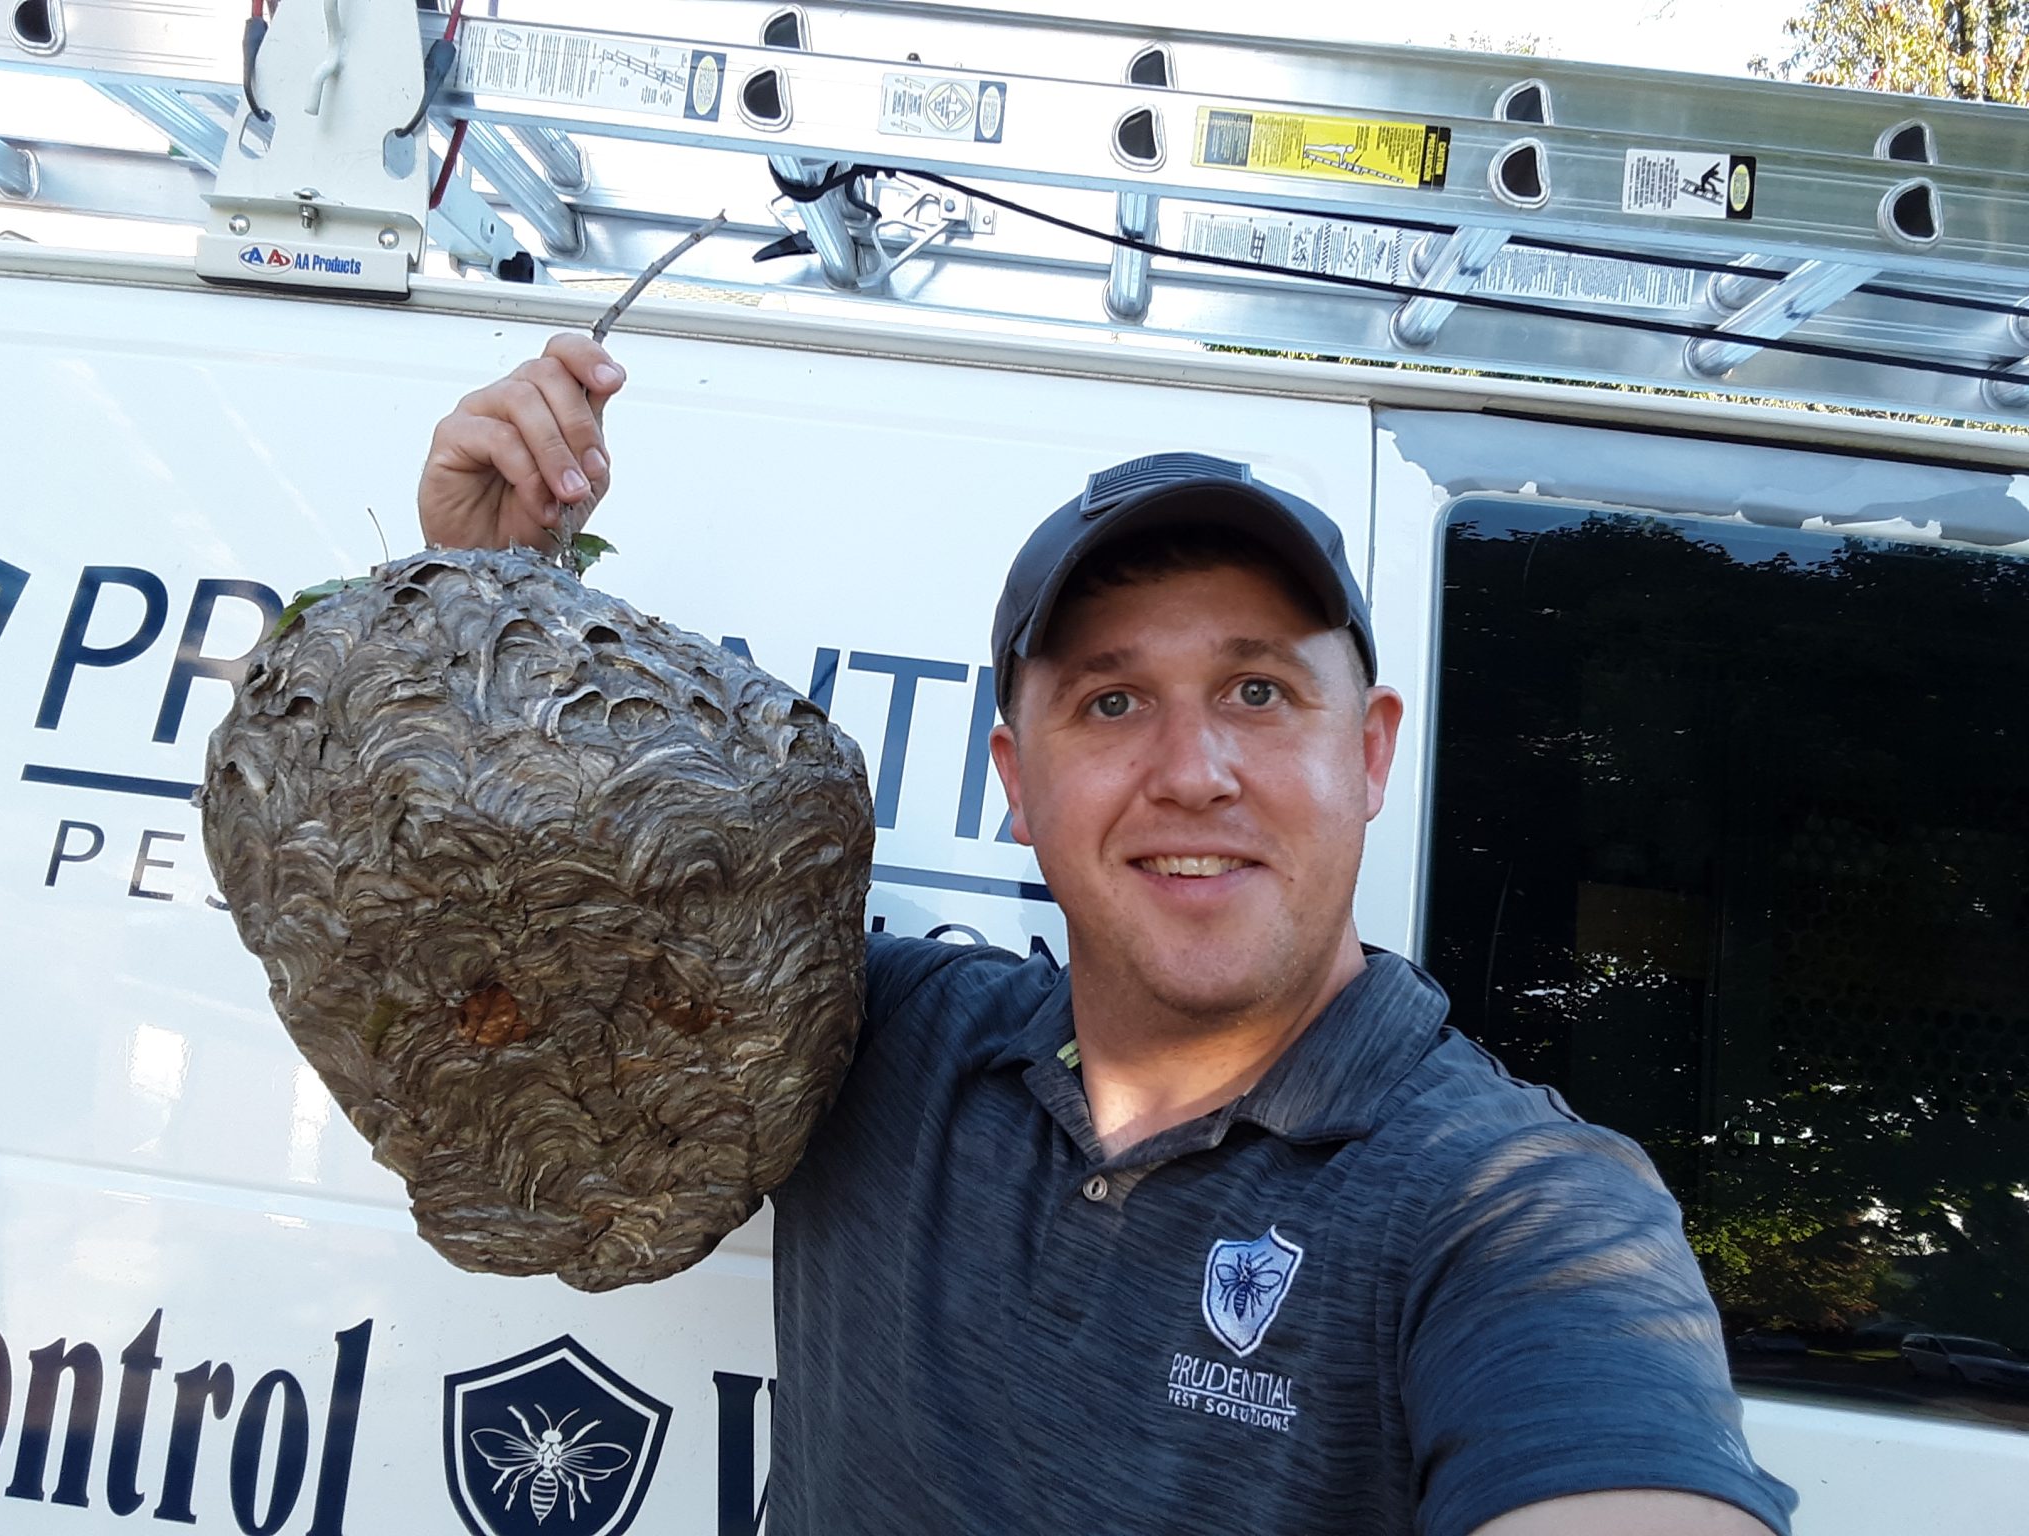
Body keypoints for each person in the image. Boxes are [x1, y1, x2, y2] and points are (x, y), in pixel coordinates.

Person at [419, 335, 1800, 1536]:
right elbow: (513, 977)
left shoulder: (1513, 1211)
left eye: (1258, 690)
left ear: (1368, 755)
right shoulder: (870, 1044)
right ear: (1018, 785)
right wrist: (478, 605)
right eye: (1113, 703)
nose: (1194, 769)